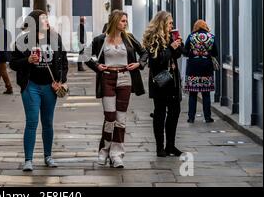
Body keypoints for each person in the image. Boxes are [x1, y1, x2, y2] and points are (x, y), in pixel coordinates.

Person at [84, 10, 147, 168]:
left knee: (121, 118)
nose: (125, 23)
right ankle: (104, 150)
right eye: (123, 21)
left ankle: (117, 154)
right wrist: (97, 65)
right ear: (115, 21)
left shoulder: (129, 38)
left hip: (125, 78)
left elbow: (144, 53)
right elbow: (84, 55)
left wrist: (139, 64)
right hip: (107, 78)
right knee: (110, 117)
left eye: (126, 21)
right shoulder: (101, 40)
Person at [10, 10, 69, 172]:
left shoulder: (56, 38)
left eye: (46, 18)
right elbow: (13, 63)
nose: (46, 21)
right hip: (31, 86)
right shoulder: (23, 40)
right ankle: (28, 160)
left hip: (50, 87)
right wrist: (27, 60)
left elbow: (64, 62)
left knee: (48, 122)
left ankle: (48, 156)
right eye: (43, 19)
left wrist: (61, 80)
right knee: (32, 122)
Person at [142, 11, 184, 158]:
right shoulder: (153, 40)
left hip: (173, 81)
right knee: (160, 114)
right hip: (160, 81)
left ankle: (170, 146)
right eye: (170, 23)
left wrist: (179, 43)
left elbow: (181, 54)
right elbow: (157, 61)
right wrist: (171, 47)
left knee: (174, 113)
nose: (172, 25)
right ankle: (160, 147)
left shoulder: (171, 37)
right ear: (162, 24)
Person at [184, 20, 218, 123]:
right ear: (205, 26)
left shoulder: (191, 37)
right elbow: (215, 53)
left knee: (193, 94)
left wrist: (193, 53)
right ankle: (207, 117)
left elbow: (185, 52)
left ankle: (191, 117)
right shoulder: (211, 37)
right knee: (206, 94)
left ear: (195, 27)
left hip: (193, 68)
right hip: (206, 67)